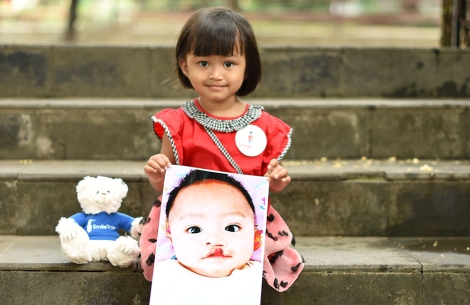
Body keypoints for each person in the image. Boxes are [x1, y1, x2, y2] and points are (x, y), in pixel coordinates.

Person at [141, 6, 304, 292]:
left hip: (240, 221)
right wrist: (157, 171)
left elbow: (267, 185)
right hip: (190, 221)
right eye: (203, 63)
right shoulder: (177, 123)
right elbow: (165, 183)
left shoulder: (265, 127)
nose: (216, 74)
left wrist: (277, 181)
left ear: (247, 66)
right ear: (184, 65)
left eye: (228, 63)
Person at [150, 169, 264, 305]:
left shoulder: (256, 274)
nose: (215, 240)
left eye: (232, 228)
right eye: (194, 229)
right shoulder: (165, 274)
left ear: (255, 233)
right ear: (169, 235)